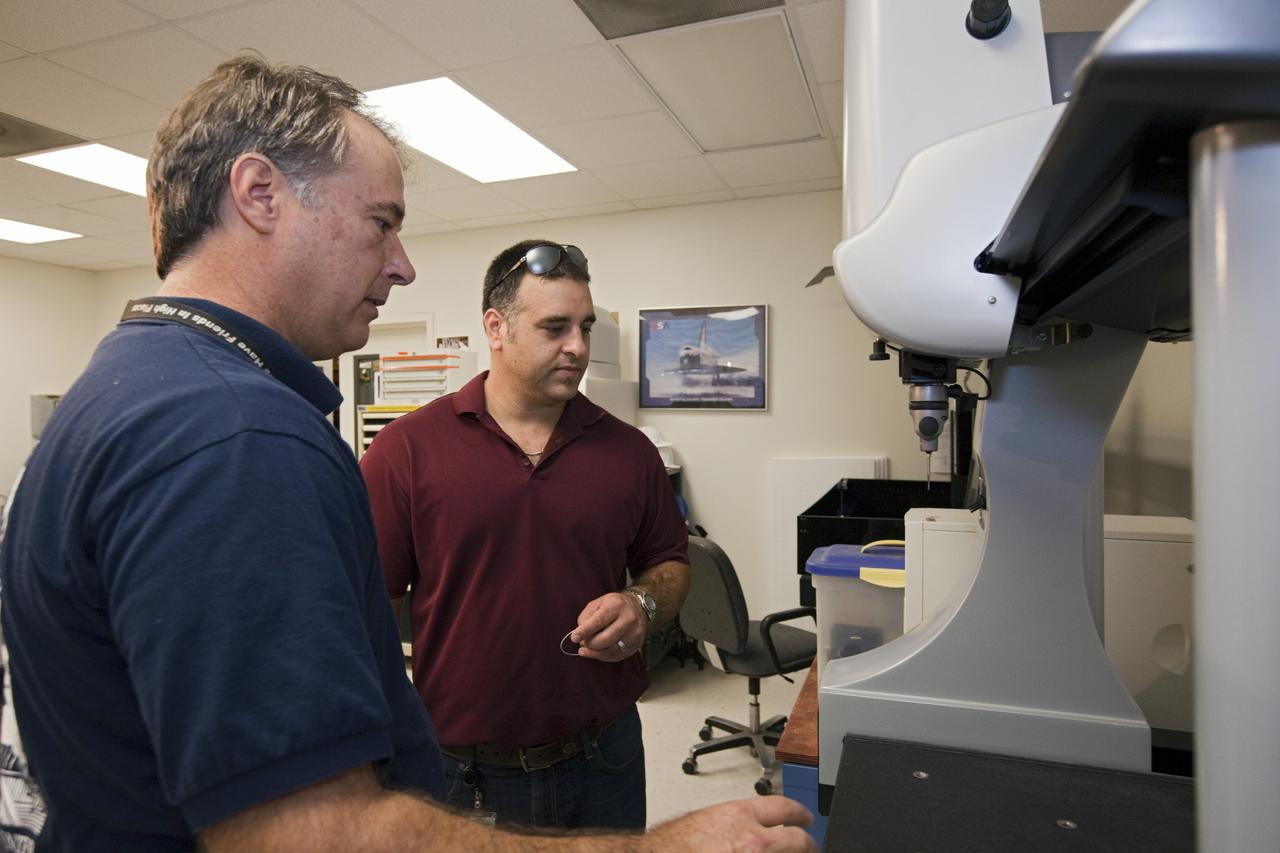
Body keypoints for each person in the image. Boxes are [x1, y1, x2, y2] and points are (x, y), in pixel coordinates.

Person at [0, 58, 816, 852]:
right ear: (259, 195)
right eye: (381, 222)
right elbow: (313, 833)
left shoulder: (120, 390)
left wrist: (637, 605)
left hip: (597, 746)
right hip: (466, 765)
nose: (403, 261)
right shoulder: (237, 436)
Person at [360, 240, 692, 830]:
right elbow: (366, 612)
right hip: (463, 772)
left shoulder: (628, 451)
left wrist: (641, 604)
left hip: (604, 757)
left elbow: (669, 563)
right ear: (496, 326)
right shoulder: (405, 451)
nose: (579, 347)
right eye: (555, 327)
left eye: (585, 326)